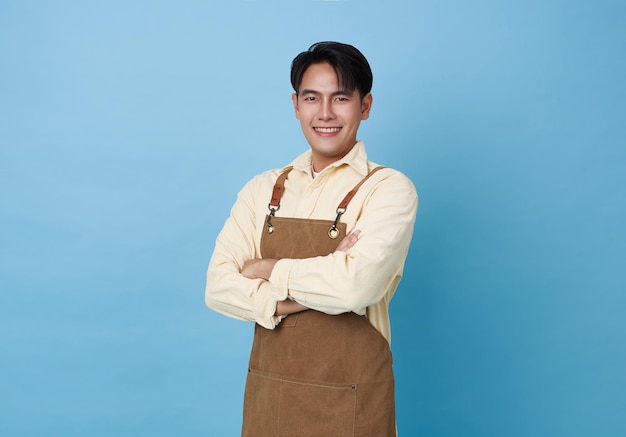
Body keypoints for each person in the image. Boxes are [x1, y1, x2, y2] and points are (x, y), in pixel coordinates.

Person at [205, 41, 418, 436]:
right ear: (295, 105)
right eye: (312, 98)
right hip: (270, 397)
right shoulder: (262, 189)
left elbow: (355, 289)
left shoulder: (388, 189)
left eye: (340, 98)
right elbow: (217, 288)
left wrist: (268, 269)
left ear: (365, 106)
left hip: (352, 403)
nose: (325, 113)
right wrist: (320, 280)